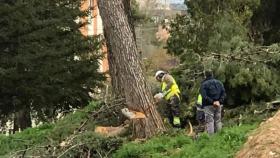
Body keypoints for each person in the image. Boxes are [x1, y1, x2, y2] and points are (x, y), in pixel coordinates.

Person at [200, 70, 226, 134]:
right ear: (212, 74)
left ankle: (211, 139)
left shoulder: (204, 84)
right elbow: (224, 93)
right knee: (218, 121)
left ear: (205, 76)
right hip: (218, 105)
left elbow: (204, 96)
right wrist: (219, 101)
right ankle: (220, 135)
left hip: (208, 105)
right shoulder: (219, 82)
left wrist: (212, 102)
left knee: (210, 121)